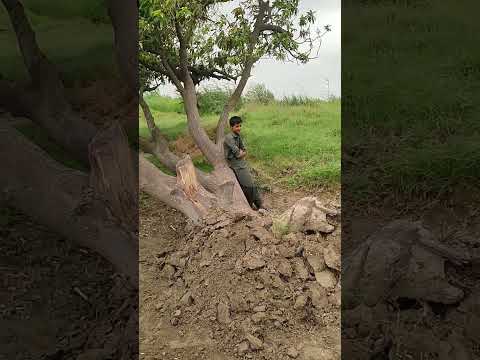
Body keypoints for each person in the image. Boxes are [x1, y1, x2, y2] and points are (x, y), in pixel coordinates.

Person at [223, 116, 265, 211]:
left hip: (241, 163)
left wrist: (242, 153)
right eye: (237, 126)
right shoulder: (229, 138)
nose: (239, 128)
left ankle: (258, 204)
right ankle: (254, 205)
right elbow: (238, 154)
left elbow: (244, 150)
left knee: (250, 184)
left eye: (240, 126)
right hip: (235, 164)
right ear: (231, 127)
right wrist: (242, 153)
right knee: (248, 185)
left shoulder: (238, 135)